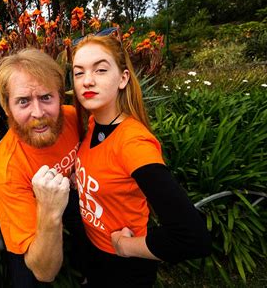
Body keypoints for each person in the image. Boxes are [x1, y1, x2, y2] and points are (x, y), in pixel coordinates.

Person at [71, 33, 212, 286]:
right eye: (78, 73)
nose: (87, 81)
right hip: (95, 256)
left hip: (124, 269)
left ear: (123, 78)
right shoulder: (95, 123)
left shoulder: (133, 143)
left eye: (100, 70)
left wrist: (126, 247)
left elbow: (192, 237)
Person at [0, 48, 85, 287]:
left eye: (46, 97)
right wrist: (50, 213)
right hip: (33, 217)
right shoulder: (7, 168)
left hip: (71, 199)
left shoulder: (72, 117)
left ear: (59, 97)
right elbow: (44, 272)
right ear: (7, 107)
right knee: (29, 277)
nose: (38, 113)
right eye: (23, 101)